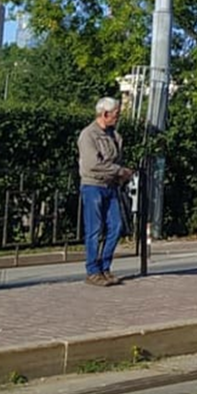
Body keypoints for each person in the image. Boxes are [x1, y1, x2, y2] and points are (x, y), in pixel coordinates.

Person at [77, 97, 133, 287]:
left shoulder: (114, 136)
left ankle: (105, 266)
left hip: (110, 186)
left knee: (116, 226)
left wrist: (120, 175)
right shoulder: (88, 135)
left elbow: (116, 159)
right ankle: (93, 271)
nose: (118, 117)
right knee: (94, 229)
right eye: (116, 114)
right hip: (93, 186)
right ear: (105, 114)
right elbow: (93, 164)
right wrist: (119, 171)